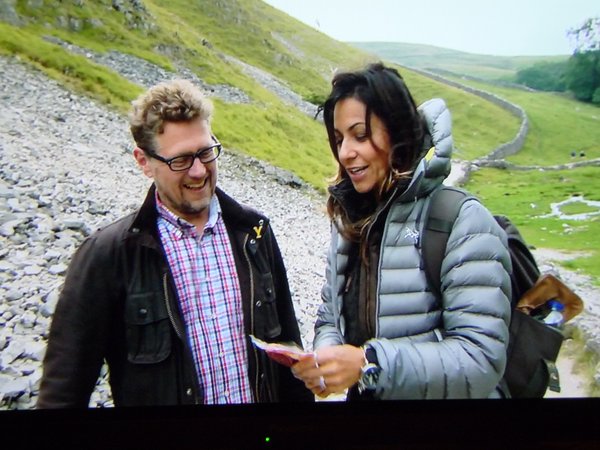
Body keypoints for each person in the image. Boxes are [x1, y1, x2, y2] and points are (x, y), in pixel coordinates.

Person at [37, 79, 312, 407]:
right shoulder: (107, 255)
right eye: (180, 160)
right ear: (144, 161)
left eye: (206, 152)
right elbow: (63, 392)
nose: (198, 171)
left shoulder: (253, 230)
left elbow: (289, 353)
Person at [292, 63, 512, 400]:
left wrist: (370, 364)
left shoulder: (461, 221)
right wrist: (326, 359)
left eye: (360, 135)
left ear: (397, 132)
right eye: (339, 139)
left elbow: (480, 359)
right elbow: (329, 315)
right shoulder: (350, 222)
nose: (346, 152)